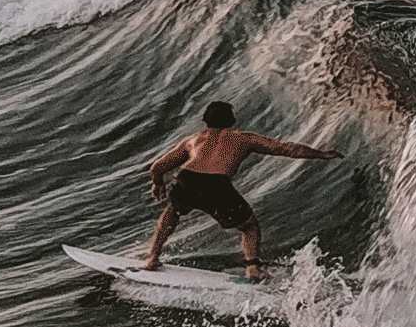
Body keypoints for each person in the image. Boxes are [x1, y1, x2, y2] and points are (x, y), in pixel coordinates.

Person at [144, 101, 342, 281]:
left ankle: (152, 257)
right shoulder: (243, 139)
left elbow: (157, 167)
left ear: (205, 120)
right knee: (249, 227)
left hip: (186, 179)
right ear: (232, 120)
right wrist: (321, 154)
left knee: (172, 213)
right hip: (216, 185)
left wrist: (157, 183)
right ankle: (253, 268)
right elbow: (286, 148)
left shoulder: (193, 140)